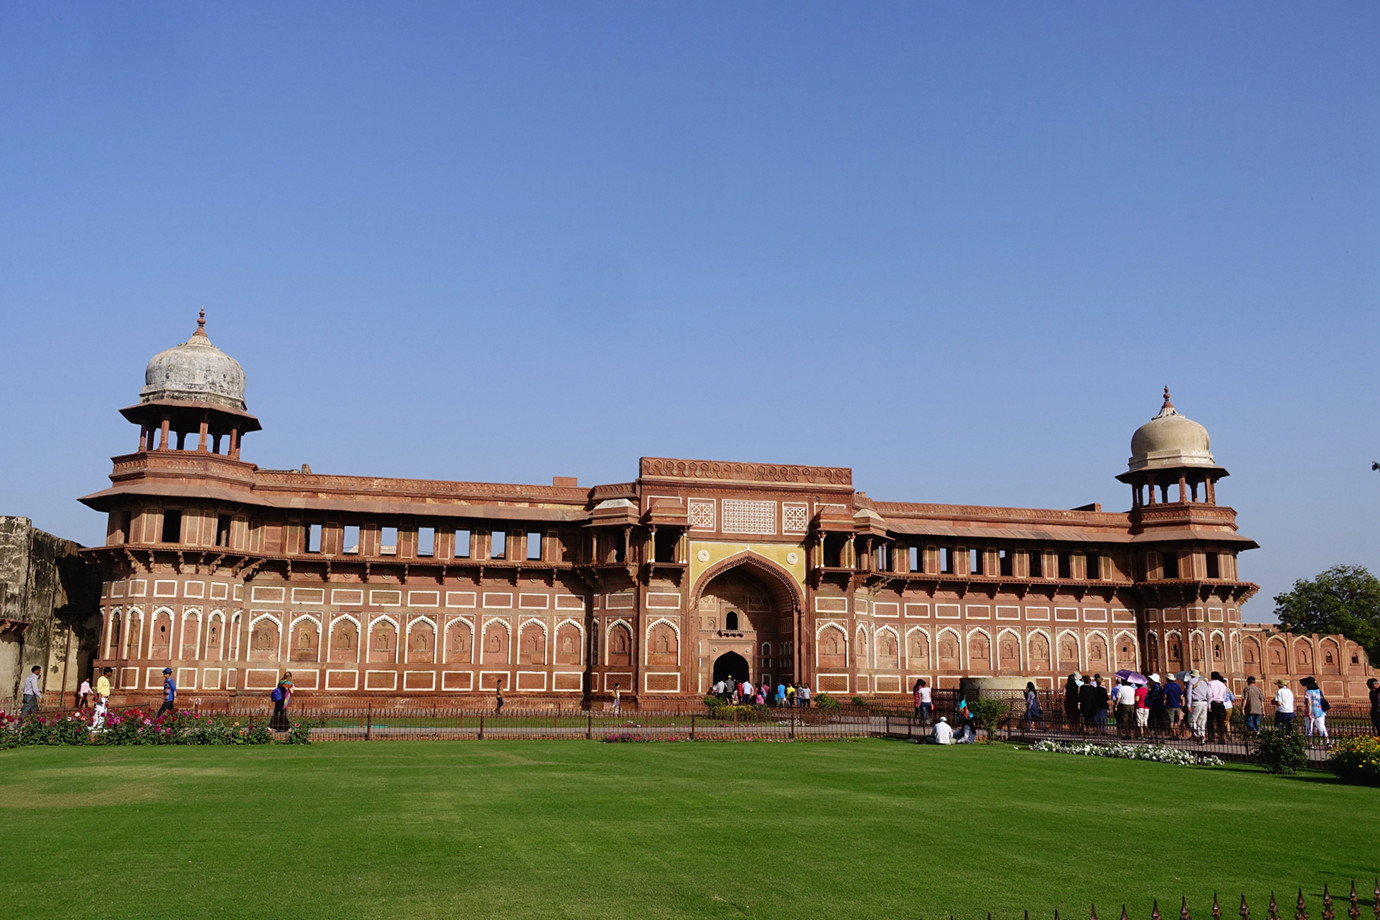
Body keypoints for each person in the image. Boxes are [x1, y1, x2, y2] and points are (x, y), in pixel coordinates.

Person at [1300, 676, 1327, 742]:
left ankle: (1310, 743)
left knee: (1309, 728)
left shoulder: (1308, 692)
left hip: (1311, 712)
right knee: (1321, 727)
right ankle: (1327, 742)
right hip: (1320, 711)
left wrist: (1309, 713)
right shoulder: (1318, 690)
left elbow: (1309, 703)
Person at [1185, 670, 1210, 742]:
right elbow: (1209, 694)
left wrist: (1188, 704)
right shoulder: (1204, 682)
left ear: (1192, 675)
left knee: (1192, 720)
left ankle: (1198, 735)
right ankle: (1202, 738)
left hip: (1196, 703)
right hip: (1204, 703)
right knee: (1202, 721)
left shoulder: (1191, 681)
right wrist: (1208, 704)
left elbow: (1189, 694)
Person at [1205, 671, 1229, 742]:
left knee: (1210, 721)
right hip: (1221, 703)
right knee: (1220, 722)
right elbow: (1224, 695)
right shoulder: (1222, 684)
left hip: (1213, 703)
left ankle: (1211, 737)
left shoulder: (1209, 684)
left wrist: (1209, 705)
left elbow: (1209, 695)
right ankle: (1222, 738)